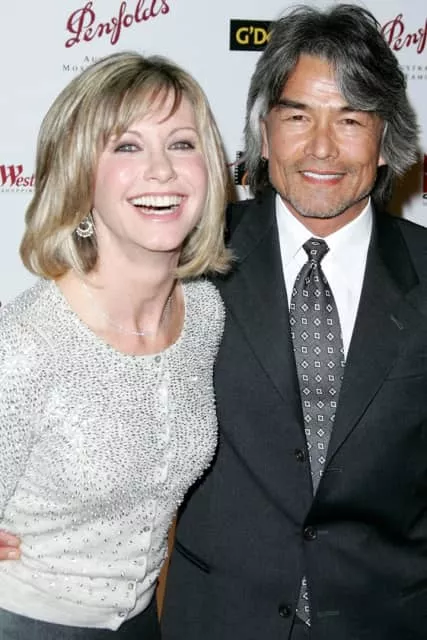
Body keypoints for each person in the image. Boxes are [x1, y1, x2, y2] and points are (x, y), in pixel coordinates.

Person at [159, 4, 427, 640]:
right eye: (298, 116)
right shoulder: (186, 257)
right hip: (218, 619)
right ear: (264, 131)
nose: (322, 148)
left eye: (351, 119)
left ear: (386, 140)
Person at [0, 51, 230, 639]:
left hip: (141, 623)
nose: (162, 170)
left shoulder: (203, 314)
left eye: (181, 144)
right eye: (127, 146)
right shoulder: (27, 342)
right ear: (81, 176)